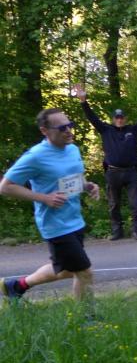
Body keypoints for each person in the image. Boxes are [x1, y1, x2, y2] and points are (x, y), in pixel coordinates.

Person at [1, 108, 101, 306]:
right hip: (55, 225)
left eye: (70, 125)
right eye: (62, 128)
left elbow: (75, 178)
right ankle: (88, 318)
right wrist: (43, 198)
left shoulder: (72, 149)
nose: (68, 130)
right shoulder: (35, 156)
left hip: (75, 219)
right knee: (84, 272)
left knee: (68, 270)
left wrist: (87, 186)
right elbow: (5, 187)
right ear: (44, 131)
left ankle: (17, 286)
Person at [73, 84, 137, 240]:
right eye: (117, 117)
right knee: (113, 204)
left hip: (131, 172)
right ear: (113, 119)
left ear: (125, 119)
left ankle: (136, 231)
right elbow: (92, 117)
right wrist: (83, 101)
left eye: (122, 117)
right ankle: (117, 231)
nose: (120, 119)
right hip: (113, 172)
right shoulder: (106, 130)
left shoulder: (134, 130)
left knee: (135, 203)